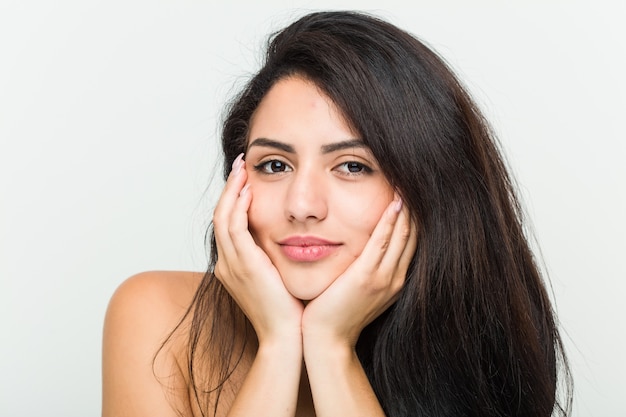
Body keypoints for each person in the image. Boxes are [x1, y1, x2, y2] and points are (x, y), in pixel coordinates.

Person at [102, 10, 572, 417]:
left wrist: (330, 349)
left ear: (428, 186)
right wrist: (280, 344)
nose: (303, 205)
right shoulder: (159, 315)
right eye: (274, 165)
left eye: (352, 166)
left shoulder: (475, 346)